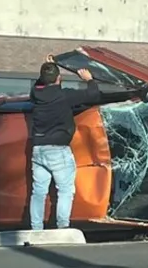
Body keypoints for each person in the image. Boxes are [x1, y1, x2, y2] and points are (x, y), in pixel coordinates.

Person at [28, 57, 100, 230]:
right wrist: (89, 80)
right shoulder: (64, 95)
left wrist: (48, 69)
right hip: (58, 150)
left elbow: (41, 84)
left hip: (38, 149)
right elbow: (93, 95)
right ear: (59, 79)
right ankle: (62, 227)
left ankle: (36, 228)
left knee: (38, 192)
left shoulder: (36, 95)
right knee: (65, 190)